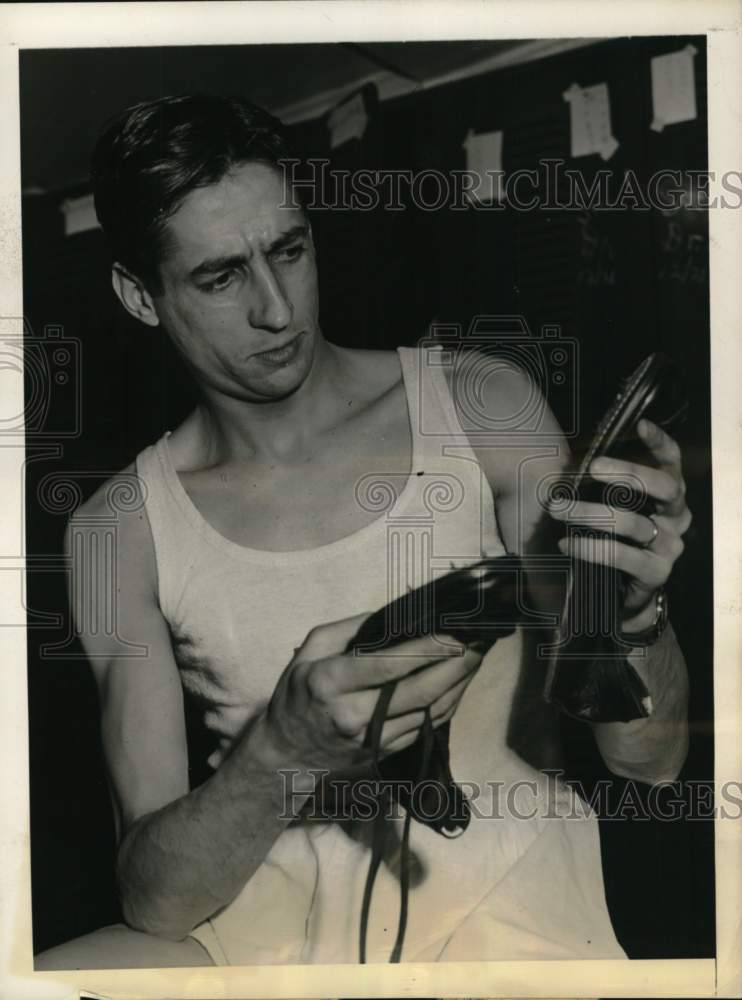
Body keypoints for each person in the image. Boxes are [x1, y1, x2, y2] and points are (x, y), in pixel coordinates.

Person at [35, 94, 692, 970]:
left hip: (509, 923)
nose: (278, 310)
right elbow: (156, 900)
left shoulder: (479, 404)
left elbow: (650, 764)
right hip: (270, 946)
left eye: (289, 251)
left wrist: (634, 611)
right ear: (138, 294)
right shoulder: (119, 530)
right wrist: (279, 753)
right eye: (221, 276)